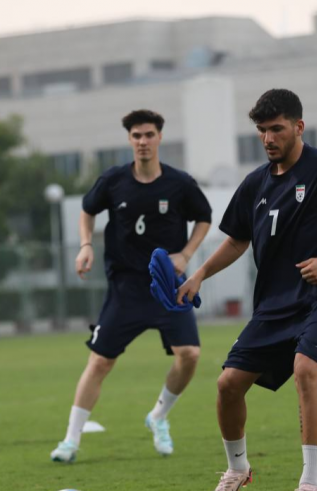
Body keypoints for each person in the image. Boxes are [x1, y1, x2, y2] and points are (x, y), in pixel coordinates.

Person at [177, 89, 317, 491]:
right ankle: (238, 469)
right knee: (227, 385)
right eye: (261, 131)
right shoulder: (255, 182)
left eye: (276, 129)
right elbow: (237, 240)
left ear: (298, 127)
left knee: (306, 369)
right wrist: (199, 273)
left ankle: (311, 484)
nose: (269, 138)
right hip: (275, 305)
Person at [50, 109, 212, 463]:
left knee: (191, 356)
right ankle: (70, 442)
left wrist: (186, 253)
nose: (143, 141)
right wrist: (86, 245)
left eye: (149, 134)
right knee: (100, 362)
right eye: (136, 136)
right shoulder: (113, 180)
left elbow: (204, 217)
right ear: (129, 140)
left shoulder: (180, 183)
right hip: (125, 287)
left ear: (159, 138)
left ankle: (158, 417)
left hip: (169, 286)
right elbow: (87, 210)